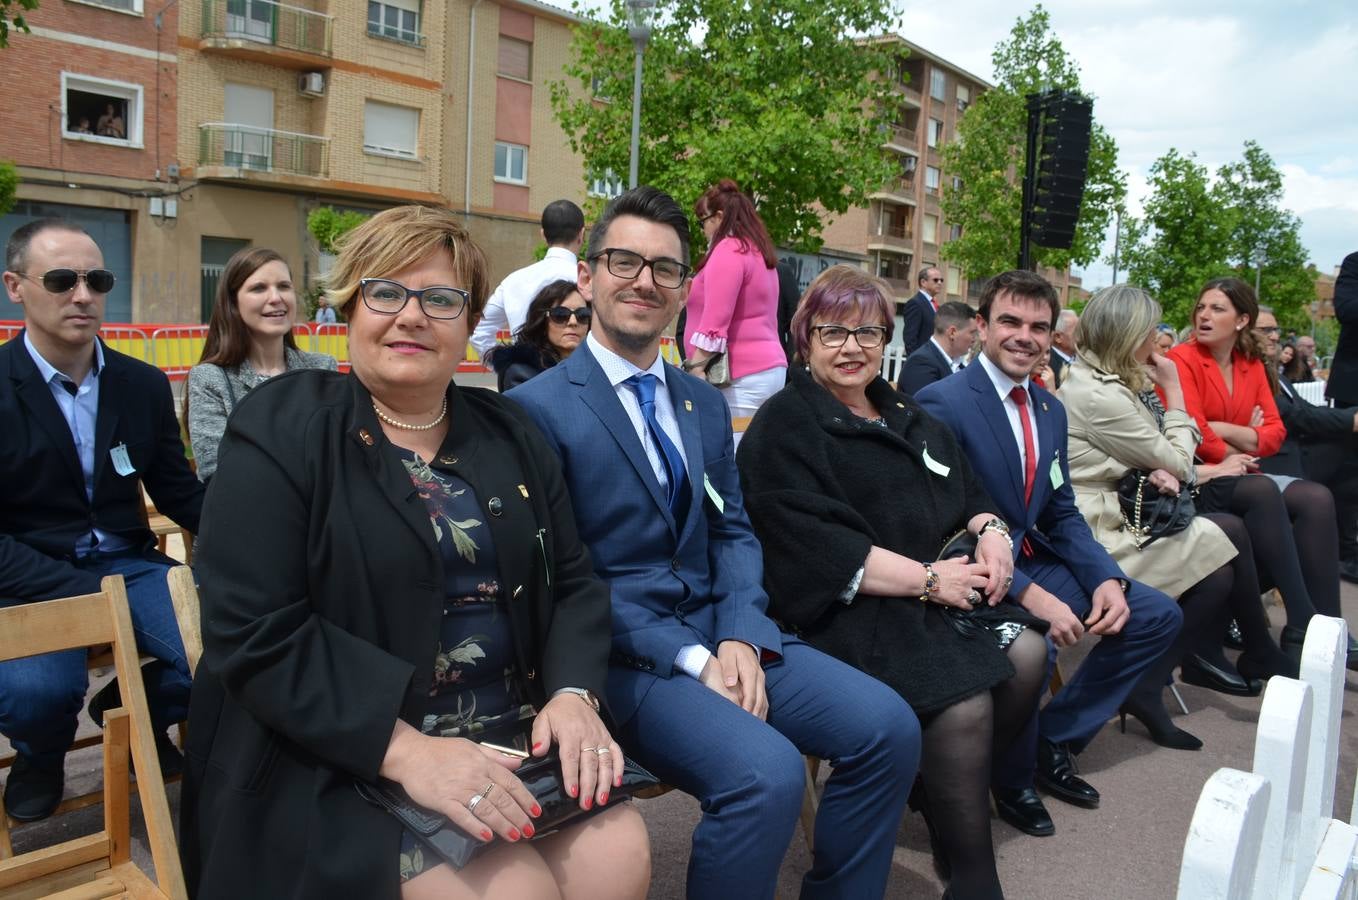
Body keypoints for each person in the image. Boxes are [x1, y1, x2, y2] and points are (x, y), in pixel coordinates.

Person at [181, 205, 649, 900]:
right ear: (348, 307)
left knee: (621, 855)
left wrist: (576, 693)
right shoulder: (280, 428)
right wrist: (408, 752)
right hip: (340, 751)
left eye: (440, 298)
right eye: (386, 292)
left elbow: (574, 580)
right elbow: (253, 630)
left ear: (469, 322)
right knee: (514, 891)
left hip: (511, 731)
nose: (411, 316)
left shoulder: (510, 429)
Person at [509, 187, 920, 900]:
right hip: (622, 660)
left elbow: (732, 529)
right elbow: (565, 576)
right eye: (624, 261)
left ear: (684, 289)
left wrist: (739, 633)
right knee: (767, 771)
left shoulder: (701, 402)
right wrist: (696, 658)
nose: (644, 280)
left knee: (888, 726)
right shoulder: (533, 412)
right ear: (588, 275)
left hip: (722, 632)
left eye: (664, 268)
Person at [738, 265, 1047, 900]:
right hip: (846, 610)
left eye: (868, 333)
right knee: (962, 705)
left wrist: (992, 531)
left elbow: (970, 494)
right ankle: (973, 875)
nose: (852, 348)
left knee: (1030, 655)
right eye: (833, 332)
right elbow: (816, 548)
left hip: (938, 596)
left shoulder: (906, 411)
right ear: (805, 339)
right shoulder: (786, 424)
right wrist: (930, 581)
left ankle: (931, 789)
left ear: (888, 339)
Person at [916, 270, 1181, 838]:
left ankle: (1051, 739)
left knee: (1154, 614)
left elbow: (1061, 511)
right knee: (1032, 643)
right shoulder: (941, 403)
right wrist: (1033, 596)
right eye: (1010, 321)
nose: (1025, 337)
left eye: (1039, 327)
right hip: (972, 571)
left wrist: (1106, 577)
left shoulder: (1048, 408)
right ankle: (1011, 781)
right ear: (982, 326)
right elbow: (936, 528)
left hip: (1035, 557)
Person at [0, 218, 203, 821]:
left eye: (97, 279)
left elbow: (177, 489)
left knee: (225, 650)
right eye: (61, 279)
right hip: (28, 576)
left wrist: (262, 533)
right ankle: (42, 754)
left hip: (131, 564)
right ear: (16, 286)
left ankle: (128, 708)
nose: (82, 295)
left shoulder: (140, 384)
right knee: (37, 695)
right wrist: (86, 593)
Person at [1061, 285, 1294, 750]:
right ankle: (1244, 648)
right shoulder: (1099, 394)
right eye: (1149, 332)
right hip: (1099, 530)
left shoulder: (1107, 380)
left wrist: (1162, 460)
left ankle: (1159, 678)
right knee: (1224, 539)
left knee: (1223, 543)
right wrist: (1173, 389)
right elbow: (1181, 459)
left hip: (1122, 509)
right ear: (1128, 337)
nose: (1157, 340)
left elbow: (1176, 456)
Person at [1169, 278, 1336, 663]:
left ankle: (1322, 627)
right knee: (1262, 493)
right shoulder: (1182, 358)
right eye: (1201, 307)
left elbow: (1275, 433)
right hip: (1197, 475)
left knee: (1316, 499)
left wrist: (1226, 431)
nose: (1204, 315)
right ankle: (1303, 618)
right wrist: (1243, 434)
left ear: (1242, 319)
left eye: (1217, 309)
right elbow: (1194, 433)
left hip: (1242, 471)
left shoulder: (1251, 364)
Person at [185, 247, 337, 482]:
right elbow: (218, 472)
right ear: (232, 302)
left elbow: (339, 459)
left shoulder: (323, 368)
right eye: (259, 288)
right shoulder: (210, 379)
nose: (276, 298)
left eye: (284, 286)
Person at [1255, 308, 1358, 613]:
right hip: (1273, 462)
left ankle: (1345, 547)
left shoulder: (1273, 373)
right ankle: (1318, 621)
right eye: (1266, 330)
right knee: (1316, 502)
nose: (1275, 336)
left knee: (1345, 464)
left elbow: (1300, 411)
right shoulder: (1254, 371)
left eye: (1276, 329)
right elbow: (1297, 416)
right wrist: (1350, 420)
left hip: (1291, 456)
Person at [682, 179, 788, 426]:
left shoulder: (728, 249)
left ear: (718, 217)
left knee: (730, 453)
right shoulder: (758, 252)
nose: (702, 229)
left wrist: (695, 366)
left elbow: (715, 321)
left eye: (702, 221)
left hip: (740, 373)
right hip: (768, 368)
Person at [470, 200, 585, 364]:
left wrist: (505, 366)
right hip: (577, 379)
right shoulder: (589, 282)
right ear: (581, 234)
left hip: (522, 380)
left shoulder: (513, 280)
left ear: (543, 235)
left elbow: (479, 330)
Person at [490, 279, 589, 393]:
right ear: (542, 321)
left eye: (582, 315)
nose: (573, 322)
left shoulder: (597, 368)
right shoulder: (520, 373)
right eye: (560, 314)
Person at [1329, 252, 1358, 579]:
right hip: (1354, 389)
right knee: (1351, 478)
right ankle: (1346, 554)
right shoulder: (1354, 263)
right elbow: (1347, 310)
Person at [896, 299, 976, 396]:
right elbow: (931, 409)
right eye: (972, 332)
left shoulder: (959, 365)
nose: (974, 339)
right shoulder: (921, 364)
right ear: (952, 333)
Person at [901, 265, 945, 353]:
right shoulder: (915, 303)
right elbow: (910, 339)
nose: (939, 283)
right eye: (935, 280)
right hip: (922, 360)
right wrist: (917, 361)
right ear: (923, 282)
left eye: (941, 280)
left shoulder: (935, 305)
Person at [1047, 309, 1078, 389]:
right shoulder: (1047, 365)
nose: (1081, 336)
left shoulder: (1084, 359)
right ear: (1058, 337)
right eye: (1076, 332)